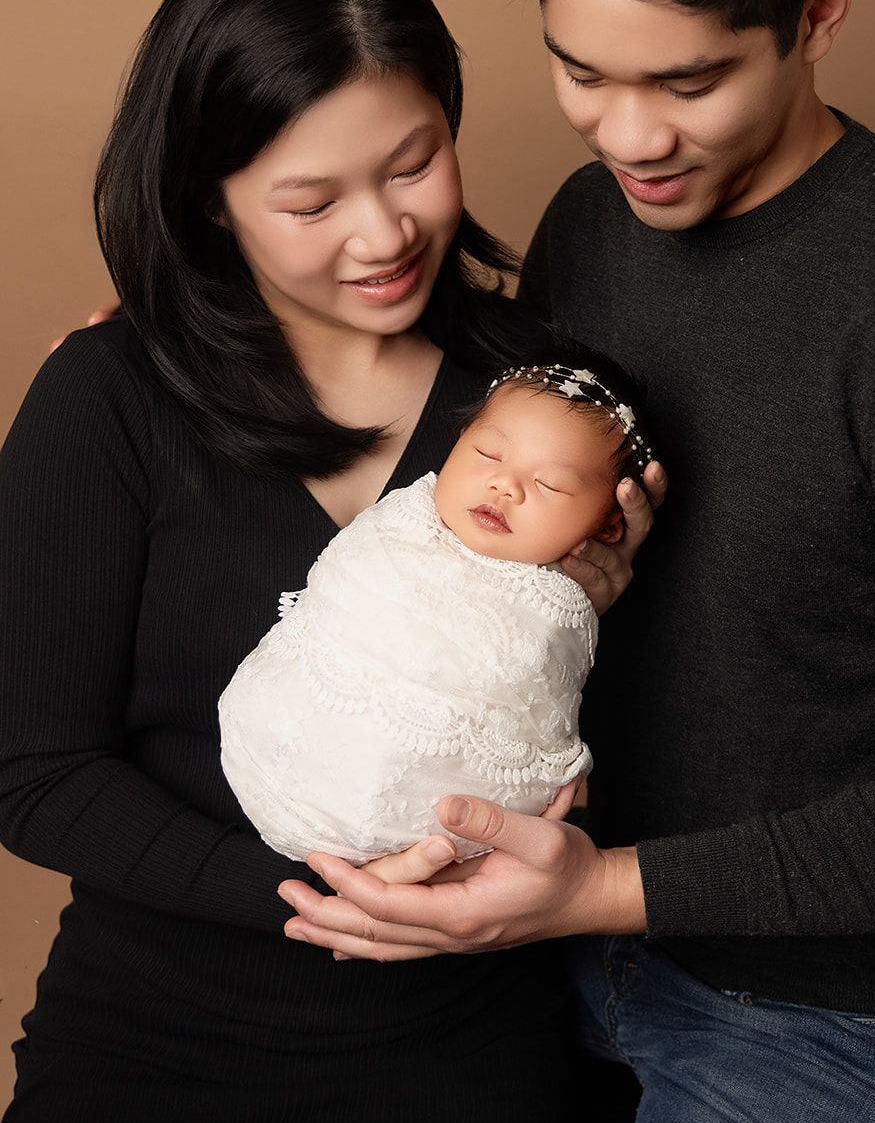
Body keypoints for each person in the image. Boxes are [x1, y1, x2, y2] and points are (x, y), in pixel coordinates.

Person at [278, 0, 875, 1123]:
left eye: (688, 81)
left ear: (818, 8)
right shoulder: (594, 222)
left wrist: (596, 891)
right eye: (578, 71)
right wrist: (184, 330)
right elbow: (469, 430)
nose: (628, 135)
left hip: (842, 1035)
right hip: (566, 963)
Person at [0, 0, 661, 1123]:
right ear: (208, 199)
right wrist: (324, 900)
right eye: (310, 201)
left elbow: (634, 762)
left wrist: (584, 616)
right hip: (153, 1051)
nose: (382, 235)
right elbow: (32, 770)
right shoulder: (108, 398)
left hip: (465, 1059)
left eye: (414, 164)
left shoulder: (549, 413)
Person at [220, 360, 654, 865]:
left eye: (550, 484)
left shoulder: (556, 605)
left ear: (606, 528)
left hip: (433, 819)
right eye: (487, 454)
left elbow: (536, 706)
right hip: (270, 745)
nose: (504, 485)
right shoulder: (403, 519)